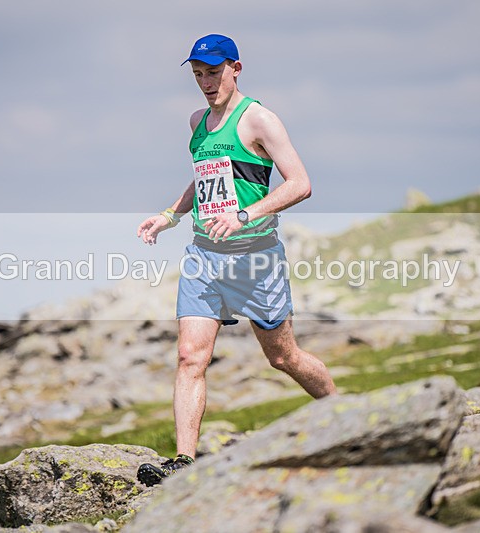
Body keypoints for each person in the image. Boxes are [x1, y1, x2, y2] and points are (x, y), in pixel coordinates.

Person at [135, 34, 337, 487]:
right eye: (198, 75)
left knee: (284, 358)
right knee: (190, 357)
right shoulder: (197, 122)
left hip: (255, 259)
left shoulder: (260, 120)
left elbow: (300, 184)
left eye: (214, 72)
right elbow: (203, 180)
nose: (207, 82)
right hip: (204, 258)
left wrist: (244, 215)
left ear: (236, 68)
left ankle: (344, 413)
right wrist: (170, 216)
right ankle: (184, 463)